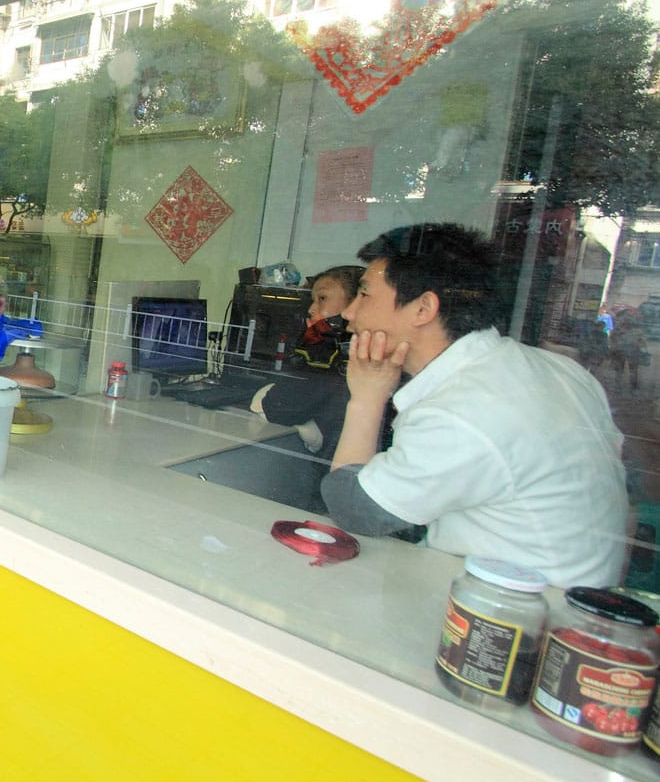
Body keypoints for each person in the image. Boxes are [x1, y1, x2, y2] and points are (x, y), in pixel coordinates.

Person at [322, 222, 627, 587]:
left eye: (365, 295)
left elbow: (354, 509)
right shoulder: (558, 370)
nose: (349, 314)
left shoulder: (461, 411)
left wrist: (367, 398)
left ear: (423, 308)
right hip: (563, 593)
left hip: (507, 613)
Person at [251, 265, 363, 461]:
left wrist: (313, 339)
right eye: (313, 300)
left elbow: (277, 406)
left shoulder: (327, 348)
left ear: (353, 306)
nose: (311, 309)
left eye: (322, 299)